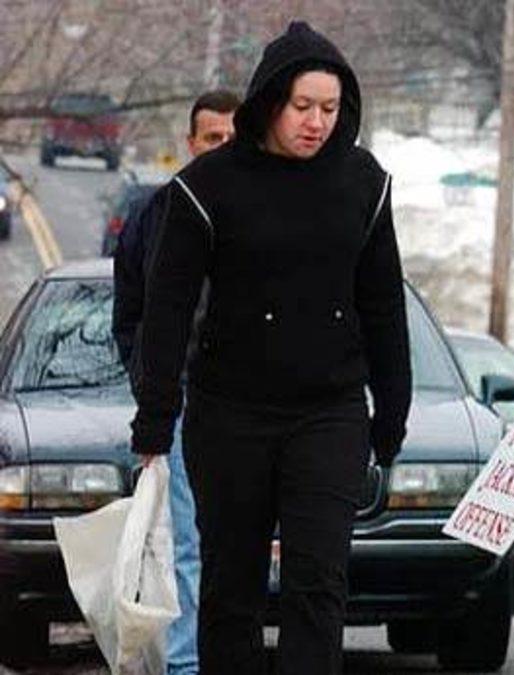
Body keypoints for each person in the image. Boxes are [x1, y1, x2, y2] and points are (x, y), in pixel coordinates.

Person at [129, 21, 412, 674]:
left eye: (331, 108)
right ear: (271, 102)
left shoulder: (363, 183)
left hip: (329, 412)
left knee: (319, 580)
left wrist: (390, 414)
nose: (316, 122)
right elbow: (167, 310)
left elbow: (383, 305)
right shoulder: (207, 187)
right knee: (232, 586)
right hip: (230, 413)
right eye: (303, 106)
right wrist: (155, 413)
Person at [112, 88, 239, 675]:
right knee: (191, 542)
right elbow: (131, 312)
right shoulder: (157, 213)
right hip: (187, 400)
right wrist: (153, 389)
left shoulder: (266, 207)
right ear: (191, 143)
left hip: (256, 401)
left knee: (248, 544)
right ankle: (188, 666)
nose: (222, 148)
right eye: (212, 137)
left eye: (233, 137)